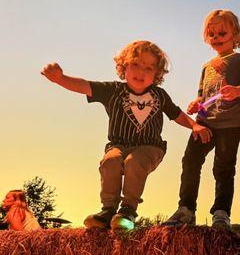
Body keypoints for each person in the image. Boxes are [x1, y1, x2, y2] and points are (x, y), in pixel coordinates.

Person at [41, 41, 211, 230]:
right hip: (118, 145)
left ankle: (128, 210)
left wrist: (195, 125)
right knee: (110, 161)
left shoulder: (160, 95)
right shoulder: (113, 90)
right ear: (123, 67)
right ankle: (108, 210)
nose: (141, 72)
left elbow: (177, 114)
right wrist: (61, 78)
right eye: (135, 64)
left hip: (150, 147)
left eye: (148, 68)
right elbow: (83, 86)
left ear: (157, 74)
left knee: (134, 161)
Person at [164, 10, 240, 229]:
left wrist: (239, 91)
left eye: (222, 32)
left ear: (235, 34)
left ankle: (221, 212)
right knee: (190, 161)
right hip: (204, 122)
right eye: (212, 34)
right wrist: (196, 103)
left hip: (230, 124)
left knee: (223, 167)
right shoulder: (207, 66)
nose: (217, 38)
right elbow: (203, 95)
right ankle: (186, 209)